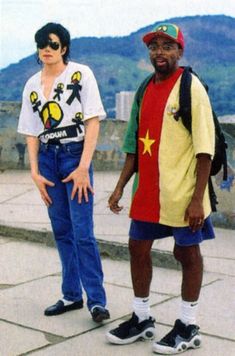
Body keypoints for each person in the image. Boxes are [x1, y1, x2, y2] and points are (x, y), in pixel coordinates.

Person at [106, 23, 215, 354]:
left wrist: (198, 200)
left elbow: (205, 148)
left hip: (182, 193)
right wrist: (120, 186)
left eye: (168, 46)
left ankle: (187, 324)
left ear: (179, 52)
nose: (160, 52)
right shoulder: (144, 87)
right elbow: (133, 145)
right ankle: (142, 318)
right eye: (154, 46)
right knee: (137, 247)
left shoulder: (190, 86)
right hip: (148, 190)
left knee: (187, 253)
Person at [17, 22, 110, 323]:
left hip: (74, 157)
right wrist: (34, 171)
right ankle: (71, 294)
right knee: (62, 231)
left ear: (64, 48)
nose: (47, 49)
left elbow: (93, 120)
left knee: (83, 232)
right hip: (47, 159)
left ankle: (96, 300)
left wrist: (84, 166)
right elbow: (31, 131)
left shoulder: (81, 74)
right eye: (42, 43)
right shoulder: (32, 84)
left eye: (53, 44)